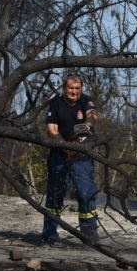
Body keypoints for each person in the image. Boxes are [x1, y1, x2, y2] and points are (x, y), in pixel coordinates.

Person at [41, 73, 100, 244]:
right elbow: (51, 130)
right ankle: (49, 234)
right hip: (60, 154)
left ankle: (89, 235)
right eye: (70, 88)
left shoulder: (86, 101)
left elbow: (92, 115)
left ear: (81, 89)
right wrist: (65, 146)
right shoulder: (56, 103)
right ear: (64, 88)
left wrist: (86, 126)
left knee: (85, 193)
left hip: (82, 155)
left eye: (77, 88)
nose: (74, 91)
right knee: (54, 195)